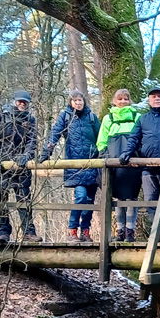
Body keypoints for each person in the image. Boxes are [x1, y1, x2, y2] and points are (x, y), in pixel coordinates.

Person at [38, 90, 101, 242]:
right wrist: (46, 152)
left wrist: (103, 156)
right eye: (75, 100)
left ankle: (85, 231)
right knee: (81, 197)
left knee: (90, 201)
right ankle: (72, 231)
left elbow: (102, 137)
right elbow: (55, 133)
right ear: (70, 102)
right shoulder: (65, 117)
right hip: (75, 165)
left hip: (92, 164)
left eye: (80, 100)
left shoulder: (92, 118)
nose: (78, 103)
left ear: (84, 101)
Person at [0, 90, 41, 243]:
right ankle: (3, 233)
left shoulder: (30, 120)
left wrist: (26, 156)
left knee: (24, 199)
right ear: (14, 101)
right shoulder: (0, 116)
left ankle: (29, 233)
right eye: (19, 101)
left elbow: (32, 141)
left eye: (25, 102)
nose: (22, 104)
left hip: (20, 167)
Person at [119, 86, 160, 235]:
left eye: (159, 96)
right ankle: (157, 232)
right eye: (153, 96)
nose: (157, 98)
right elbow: (134, 138)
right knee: (151, 201)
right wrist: (127, 152)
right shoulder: (142, 119)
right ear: (149, 100)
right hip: (147, 167)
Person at [95, 89, 142, 242]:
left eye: (126, 99)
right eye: (119, 99)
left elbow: (141, 138)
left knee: (131, 197)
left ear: (130, 101)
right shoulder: (108, 119)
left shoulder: (137, 117)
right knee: (118, 197)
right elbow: (101, 140)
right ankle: (120, 230)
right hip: (114, 164)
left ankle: (130, 230)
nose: (122, 102)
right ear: (114, 101)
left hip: (133, 163)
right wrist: (104, 156)